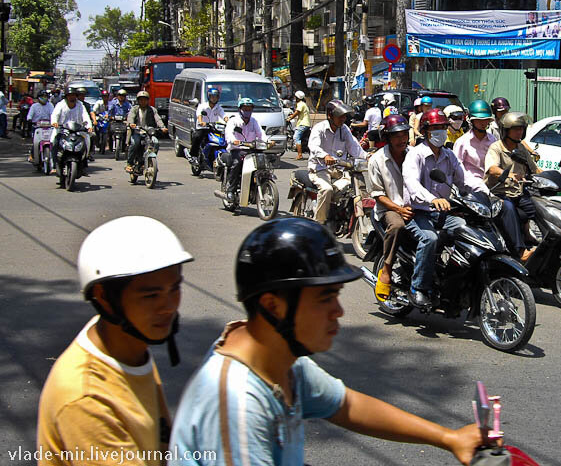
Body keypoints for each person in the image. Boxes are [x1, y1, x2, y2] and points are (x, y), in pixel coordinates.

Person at [168, 218, 481, 466]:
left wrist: (449, 437)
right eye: (324, 298)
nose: (339, 311)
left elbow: (345, 405)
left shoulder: (282, 362)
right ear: (273, 306)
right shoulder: (238, 403)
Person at [37, 217, 192, 466]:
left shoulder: (129, 350)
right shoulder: (86, 399)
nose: (169, 306)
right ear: (104, 298)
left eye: (175, 289)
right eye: (151, 295)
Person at [403, 108, 487, 309]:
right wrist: (433, 199)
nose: (440, 131)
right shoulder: (415, 155)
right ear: (426, 131)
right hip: (418, 212)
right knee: (430, 239)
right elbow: (412, 184)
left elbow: (464, 180)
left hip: (442, 213)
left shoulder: (449, 155)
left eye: (442, 127)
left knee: (467, 229)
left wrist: (486, 193)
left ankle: (451, 278)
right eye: (435, 128)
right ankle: (418, 287)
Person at [367, 114, 413, 301]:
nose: (402, 139)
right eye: (397, 136)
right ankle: (386, 269)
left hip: (415, 206)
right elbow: (378, 195)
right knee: (397, 226)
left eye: (404, 135)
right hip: (390, 209)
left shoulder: (414, 155)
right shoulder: (377, 160)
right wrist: (399, 209)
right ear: (387, 137)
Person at [484, 112, 540, 263]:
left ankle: (543, 241)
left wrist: (553, 177)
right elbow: (492, 168)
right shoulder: (496, 148)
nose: (519, 132)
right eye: (515, 129)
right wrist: (507, 174)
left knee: (538, 206)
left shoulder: (521, 148)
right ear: (506, 131)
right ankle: (519, 251)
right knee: (508, 208)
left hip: (518, 192)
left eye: (521, 129)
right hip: (498, 193)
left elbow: (535, 169)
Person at [307, 100, 367, 225]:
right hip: (320, 168)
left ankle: (337, 214)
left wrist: (368, 157)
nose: (343, 119)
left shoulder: (344, 129)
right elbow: (313, 146)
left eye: (344, 116)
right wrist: (325, 156)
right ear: (330, 115)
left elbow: (354, 147)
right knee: (327, 189)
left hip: (339, 169)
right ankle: (319, 223)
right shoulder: (319, 128)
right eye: (340, 116)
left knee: (350, 188)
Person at [224, 97, 269, 202]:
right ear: (240, 109)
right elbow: (228, 133)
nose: (247, 111)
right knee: (237, 163)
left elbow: (260, 133)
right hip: (237, 149)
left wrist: (268, 141)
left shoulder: (254, 121)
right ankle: (231, 190)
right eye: (245, 109)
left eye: (249, 109)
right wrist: (234, 141)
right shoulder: (234, 121)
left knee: (264, 162)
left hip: (251, 149)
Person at [51, 88, 93, 173]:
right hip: (63, 130)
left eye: (73, 95)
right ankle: (55, 164)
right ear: (66, 96)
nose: (72, 97)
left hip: (77, 130)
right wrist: (54, 122)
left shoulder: (80, 105)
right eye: (70, 95)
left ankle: (83, 162)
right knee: (54, 142)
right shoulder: (60, 104)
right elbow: (55, 115)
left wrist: (89, 126)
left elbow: (85, 116)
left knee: (87, 140)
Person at [126, 91, 167, 173]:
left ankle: (150, 160)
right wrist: (131, 124)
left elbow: (158, 119)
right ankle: (129, 163)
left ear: (148, 100)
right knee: (135, 143)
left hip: (149, 132)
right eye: (141, 100)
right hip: (137, 131)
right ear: (138, 101)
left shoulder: (152, 109)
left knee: (155, 143)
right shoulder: (134, 109)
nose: (143, 102)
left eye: (145, 100)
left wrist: (162, 127)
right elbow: (130, 117)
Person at [189, 87, 227, 165]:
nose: (214, 98)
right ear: (209, 97)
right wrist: (201, 122)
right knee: (197, 137)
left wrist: (228, 121)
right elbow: (199, 115)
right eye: (212, 96)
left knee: (223, 139)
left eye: (216, 96)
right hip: (203, 128)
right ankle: (193, 156)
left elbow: (224, 115)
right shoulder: (202, 106)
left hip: (214, 128)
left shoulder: (218, 107)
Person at [27, 90, 54, 164]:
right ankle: (32, 155)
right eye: (42, 97)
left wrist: (55, 121)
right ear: (38, 98)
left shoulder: (50, 105)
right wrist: (29, 119)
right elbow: (29, 115)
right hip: (37, 127)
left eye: (45, 97)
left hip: (48, 127)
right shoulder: (34, 106)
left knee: (53, 140)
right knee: (35, 141)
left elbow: (53, 114)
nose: (44, 98)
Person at [287, 90, 312, 160]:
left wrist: (290, 118)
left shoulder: (300, 104)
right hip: (306, 124)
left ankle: (300, 155)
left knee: (296, 137)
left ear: (297, 98)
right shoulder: (304, 104)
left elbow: (297, 112)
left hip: (302, 124)